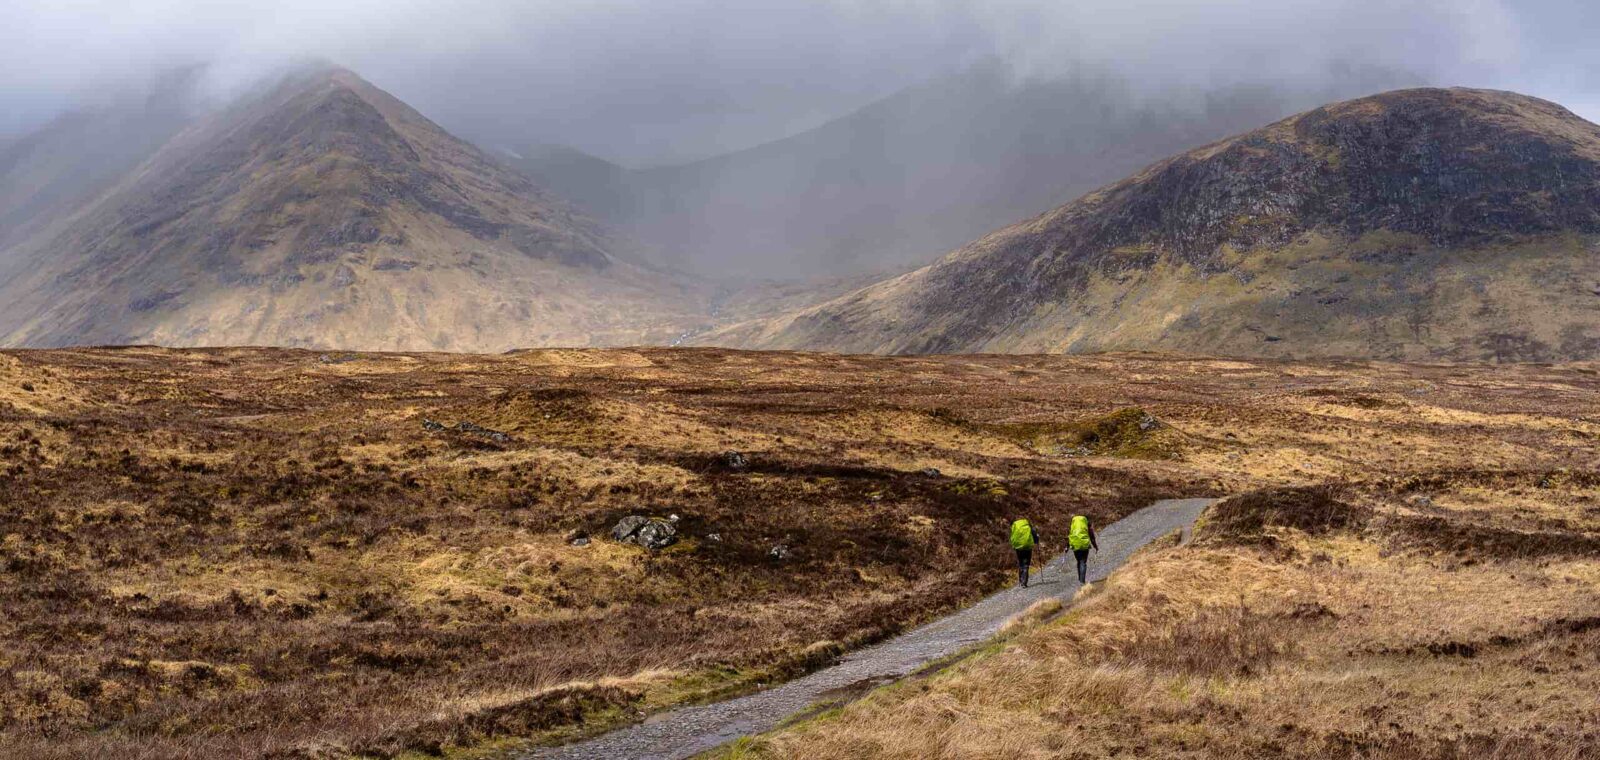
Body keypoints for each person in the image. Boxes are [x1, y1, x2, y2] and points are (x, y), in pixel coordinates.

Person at [1009, 517, 1040, 588]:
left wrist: (1014, 545)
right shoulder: (1027, 525)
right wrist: (1036, 540)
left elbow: (1012, 537)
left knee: (1020, 563)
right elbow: (1034, 534)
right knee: (1026, 564)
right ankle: (1024, 583)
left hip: (1018, 548)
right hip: (1027, 547)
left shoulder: (1015, 526)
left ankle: (1020, 581)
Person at [1068, 514, 1099, 585]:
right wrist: (1095, 546)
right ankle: (1082, 582)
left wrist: (1067, 547)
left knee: (1079, 561)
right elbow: (1092, 538)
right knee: (1083, 562)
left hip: (1075, 544)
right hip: (1084, 545)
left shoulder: (1074, 526)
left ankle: (1080, 579)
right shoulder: (1087, 525)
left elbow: (1069, 536)